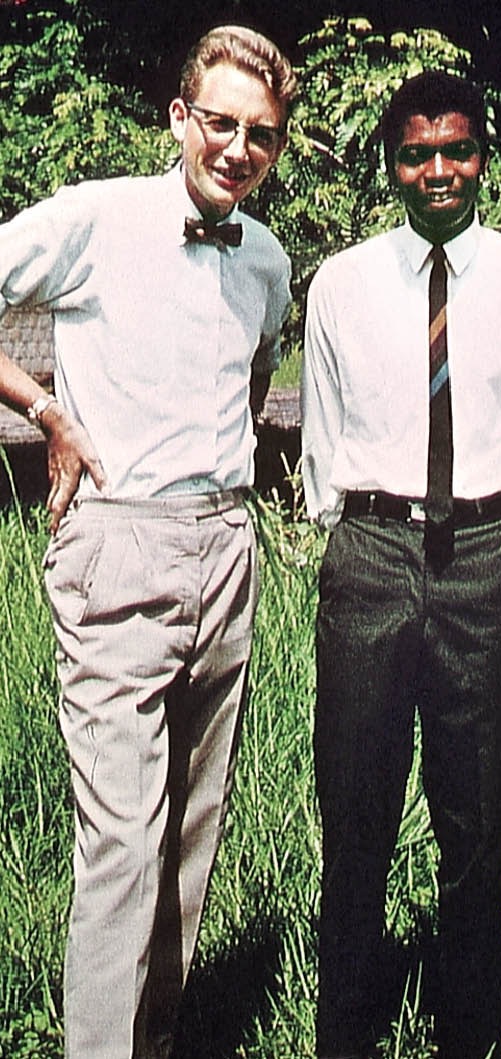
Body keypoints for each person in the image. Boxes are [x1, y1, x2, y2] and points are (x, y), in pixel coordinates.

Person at [0, 25, 295, 1058]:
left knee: (189, 837)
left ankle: (153, 1042)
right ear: (179, 118)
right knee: (120, 845)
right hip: (117, 548)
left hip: (225, 550)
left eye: (260, 134)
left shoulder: (266, 258)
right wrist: (46, 411)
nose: (237, 148)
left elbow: (255, 376)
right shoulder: (96, 218)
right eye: (219, 123)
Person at [301, 70, 501, 1059]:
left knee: (475, 815)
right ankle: (345, 1033)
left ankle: (471, 1031)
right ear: (392, 163)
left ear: (482, 156)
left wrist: (499, 522)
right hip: (370, 551)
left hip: (484, 559)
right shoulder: (340, 281)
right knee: (358, 805)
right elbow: (323, 429)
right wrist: (359, 523)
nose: (439, 169)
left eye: (456, 148)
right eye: (417, 152)